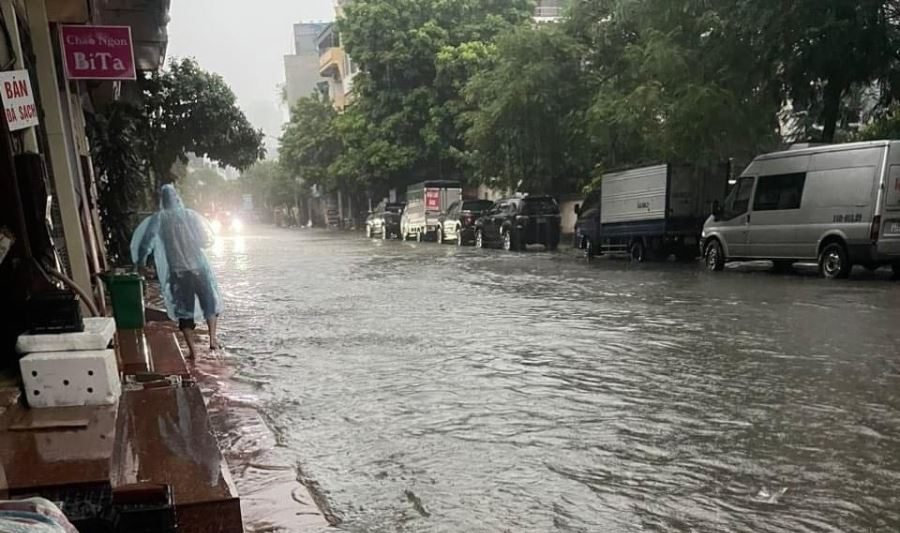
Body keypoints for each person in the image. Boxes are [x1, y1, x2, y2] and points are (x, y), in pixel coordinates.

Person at [131, 184, 223, 358]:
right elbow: (205, 240)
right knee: (210, 304)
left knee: (184, 312)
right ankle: (212, 340)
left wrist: (141, 263)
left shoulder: (159, 219)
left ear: (163, 200)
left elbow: (145, 244)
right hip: (199, 269)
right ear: (177, 197)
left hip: (179, 273)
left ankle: (193, 352)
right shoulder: (190, 216)